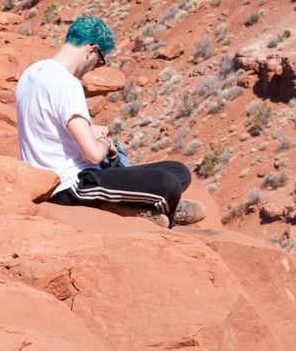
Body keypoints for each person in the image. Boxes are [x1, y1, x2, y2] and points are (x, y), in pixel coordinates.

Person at [15, 16, 203, 227]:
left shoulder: (30, 74)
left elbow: (48, 124)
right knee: (168, 184)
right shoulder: (66, 83)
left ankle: (138, 208)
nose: (95, 68)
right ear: (92, 49)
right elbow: (93, 155)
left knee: (178, 171)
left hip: (55, 179)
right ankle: (155, 216)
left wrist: (89, 130)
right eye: (100, 60)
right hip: (72, 185)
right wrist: (106, 143)